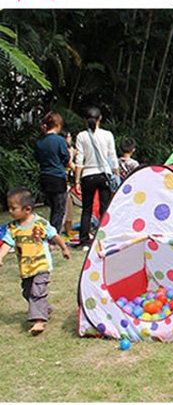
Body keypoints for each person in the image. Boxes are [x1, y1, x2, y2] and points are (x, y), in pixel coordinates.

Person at [0, 187, 70, 335]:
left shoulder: (40, 223)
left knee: (37, 291)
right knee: (27, 292)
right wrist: (0, 256)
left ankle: (39, 321)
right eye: (9, 208)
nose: (10, 211)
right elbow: (7, 243)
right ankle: (43, 308)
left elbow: (54, 235)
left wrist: (64, 248)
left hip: (41, 265)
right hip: (26, 268)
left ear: (27, 209)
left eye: (13, 208)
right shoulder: (13, 228)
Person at [74, 106, 119, 249]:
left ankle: (84, 239)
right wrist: (116, 174)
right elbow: (113, 156)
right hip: (104, 174)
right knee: (104, 207)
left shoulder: (81, 136)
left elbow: (79, 160)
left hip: (88, 175)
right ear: (100, 119)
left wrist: (77, 180)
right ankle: (104, 237)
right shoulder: (107, 135)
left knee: (86, 209)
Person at [33, 111, 71, 234]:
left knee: (53, 208)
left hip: (44, 177)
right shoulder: (59, 140)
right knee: (59, 210)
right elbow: (66, 159)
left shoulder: (40, 141)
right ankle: (53, 237)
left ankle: (50, 233)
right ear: (58, 125)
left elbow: (37, 158)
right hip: (57, 177)